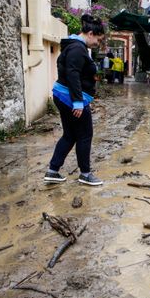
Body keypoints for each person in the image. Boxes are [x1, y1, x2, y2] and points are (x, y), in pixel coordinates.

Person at [43, 14, 106, 186]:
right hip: (71, 99)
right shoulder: (78, 49)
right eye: (98, 40)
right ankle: (85, 174)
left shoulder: (74, 46)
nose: (98, 44)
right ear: (91, 33)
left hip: (63, 96)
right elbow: (73, 75)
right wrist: (78, 102)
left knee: (70, 135)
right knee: (85, 135)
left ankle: (53, 170)